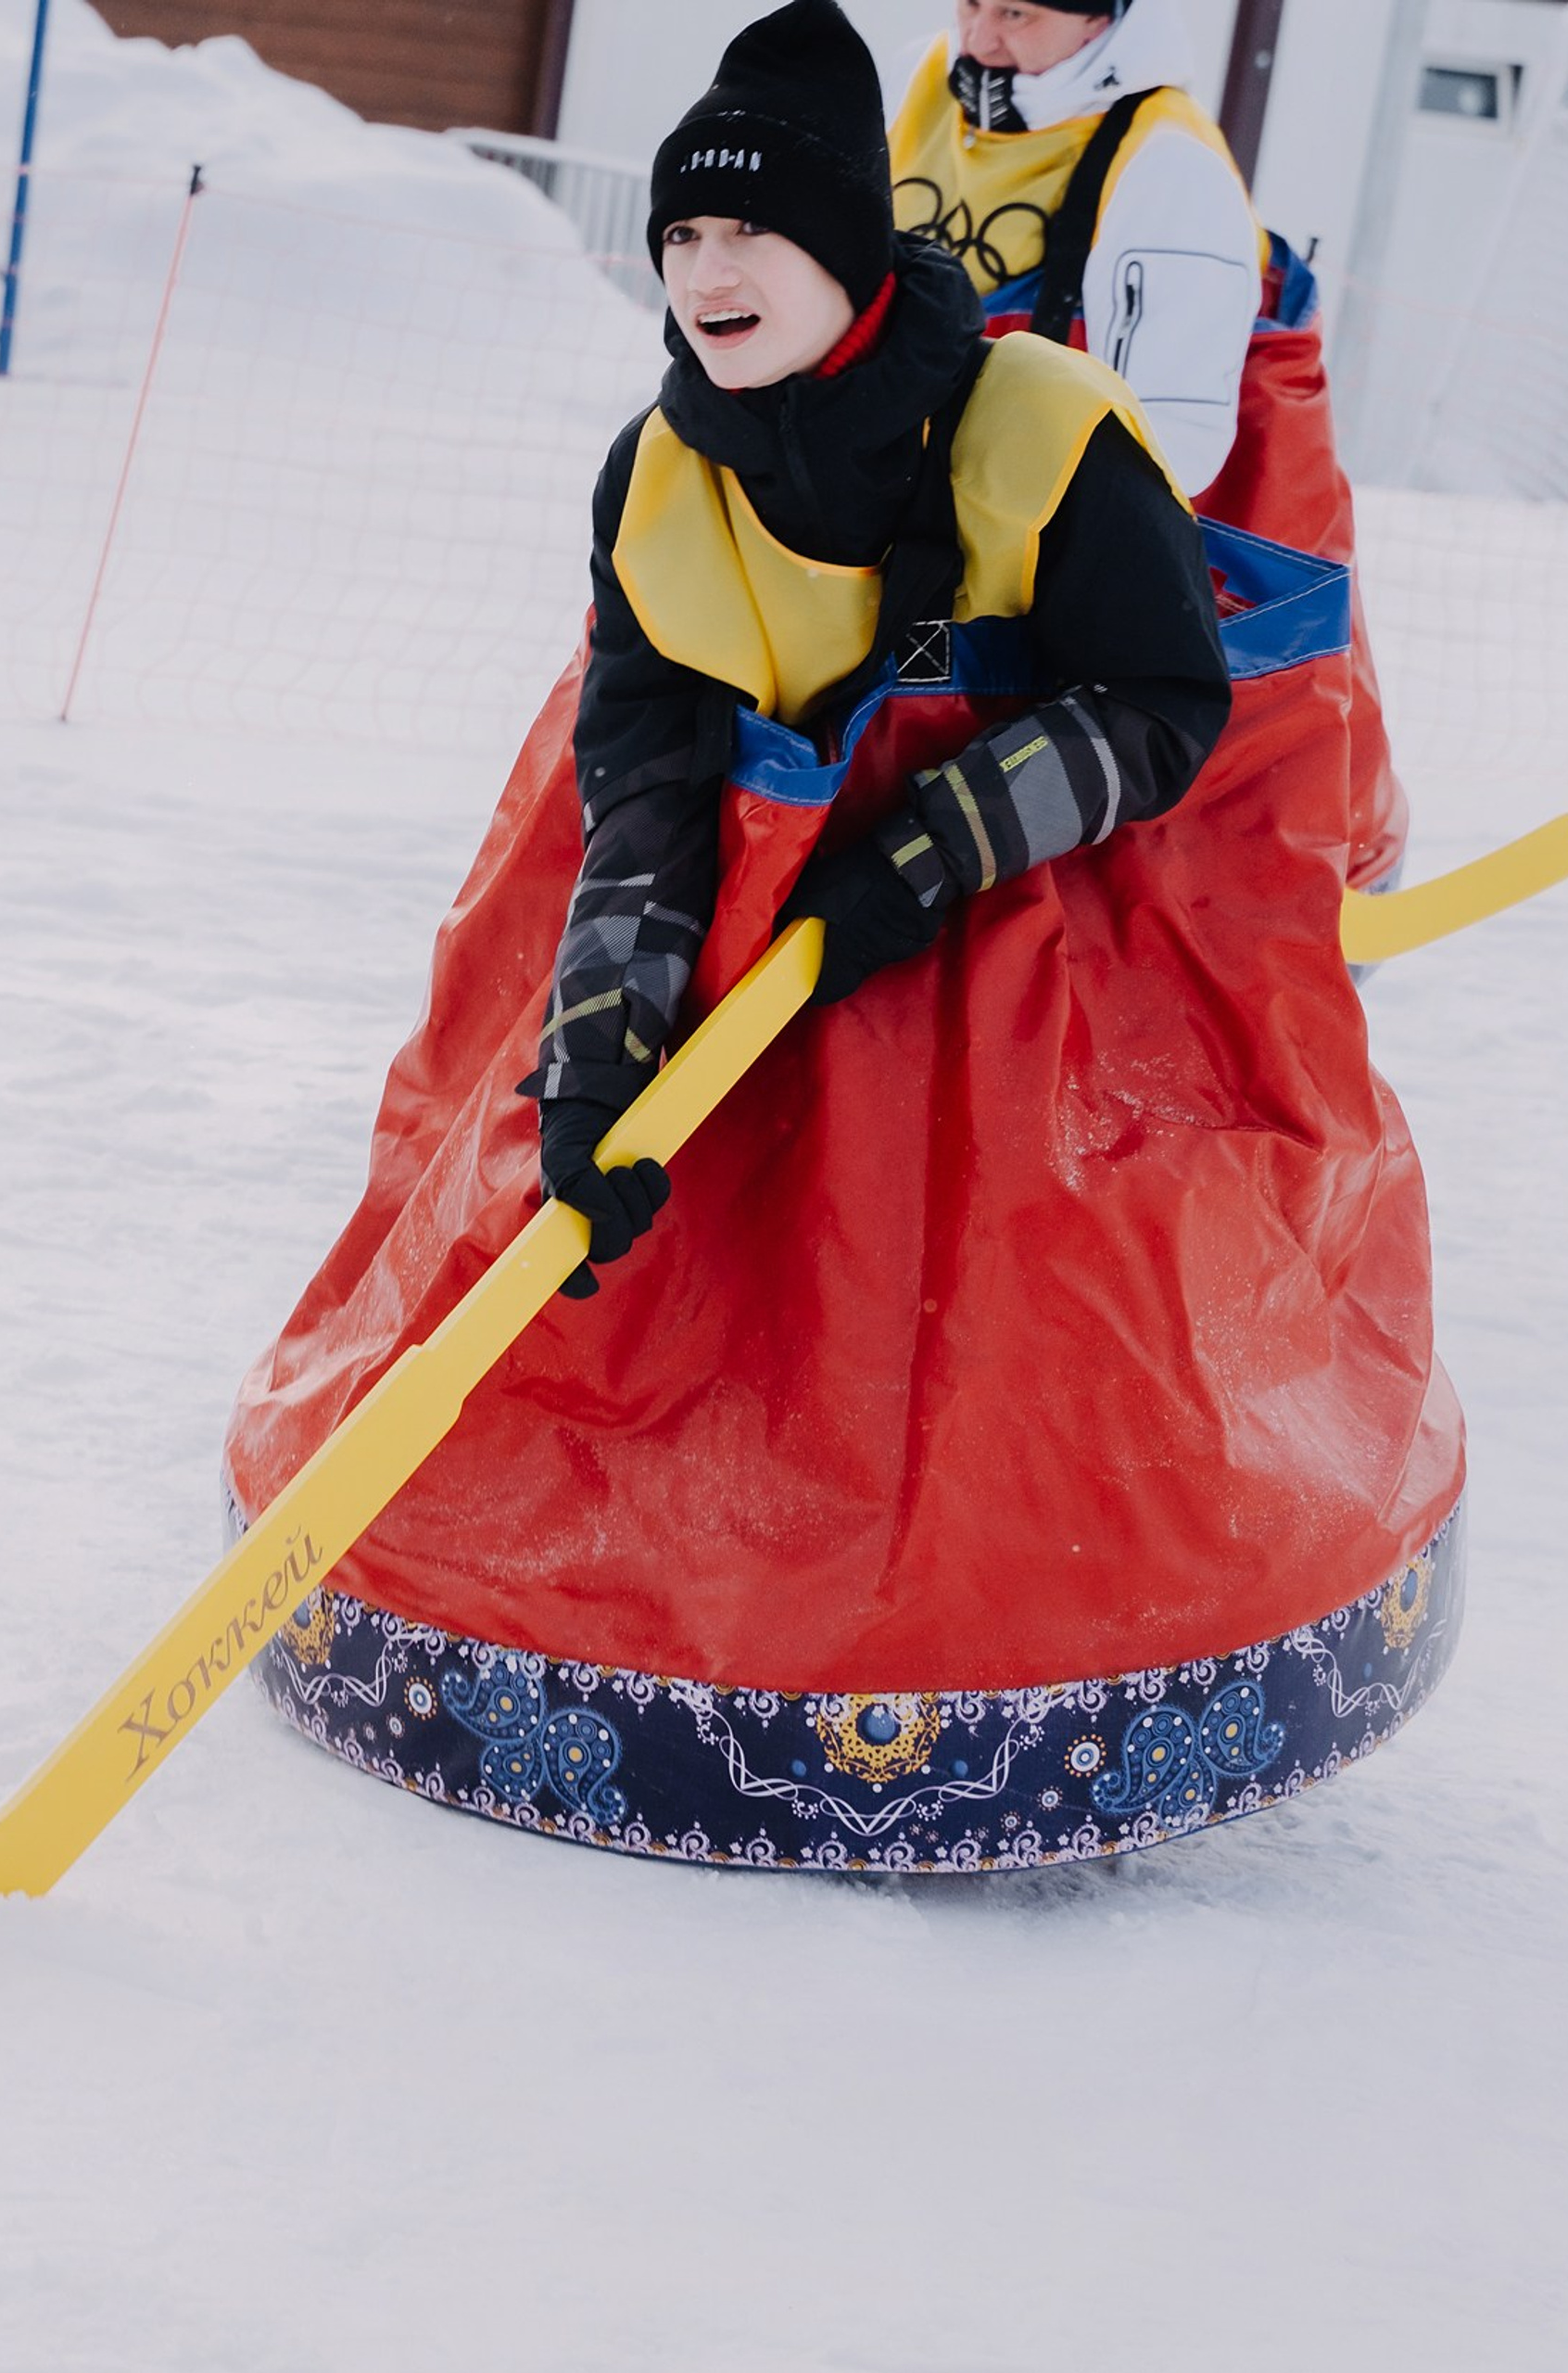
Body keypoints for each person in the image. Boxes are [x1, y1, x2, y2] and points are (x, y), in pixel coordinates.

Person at [222, 0, 1463, 1875]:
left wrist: (930, 844)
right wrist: (603, 1041)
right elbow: (645, 790)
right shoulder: (661, 471)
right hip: (761, 913)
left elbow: (1163, 699)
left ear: (851, 248)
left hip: (1023, 921)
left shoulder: (1049, 424)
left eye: (753, 234)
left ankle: (1020, 1633)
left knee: (1002, 1308)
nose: (707, 274)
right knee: (617, 1243)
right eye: (681, 235)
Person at [891, 0, 1410, 888]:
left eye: (1014, 13)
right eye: (969, 1)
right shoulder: (931, 84)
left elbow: (1165, 457)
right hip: (952, 510)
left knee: (1167, 841)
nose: (979, 38)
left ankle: (1322, 888)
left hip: (1112, 540)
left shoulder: (1168, 167)